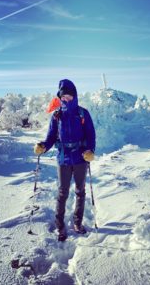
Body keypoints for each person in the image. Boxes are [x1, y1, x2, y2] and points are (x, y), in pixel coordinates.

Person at [34, 79, 96, 241]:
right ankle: (60, 226)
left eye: (69, 96)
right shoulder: (56, 116)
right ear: (60, 98)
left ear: (74, 96)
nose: (66, 99)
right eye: (64, 97)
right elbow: (51, 137)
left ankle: (78, 223)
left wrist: (90, 150)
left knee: (80, 192)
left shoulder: (83, 113)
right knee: (62, 193)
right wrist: (43, 146)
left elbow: (91, 135)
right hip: (63, 158)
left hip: (81, 158)